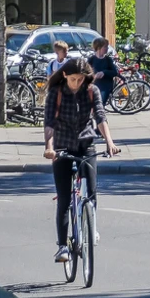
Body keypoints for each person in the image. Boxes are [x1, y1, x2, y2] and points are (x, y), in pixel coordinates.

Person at [42, 55, 119, 265]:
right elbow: (49, 122)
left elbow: (101, 117)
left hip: (86, 144)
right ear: (65, 75)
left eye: (81, 79)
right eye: (74, 79)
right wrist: (49, 148)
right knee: (64, 200)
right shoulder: (56, 93)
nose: (77, 83)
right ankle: (62, 246)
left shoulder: (91, 91)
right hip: (62, 146)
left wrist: (109, 142)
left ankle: (91, 225)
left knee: (92, 191)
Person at [87, 36, 119, 102]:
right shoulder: (91, 59)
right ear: (99, 47)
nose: (107, 48)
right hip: (94, 86)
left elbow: (114, 72)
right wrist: (93, 75)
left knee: (100, 105)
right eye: (105, 47)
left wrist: (104, 72)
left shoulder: (108, 60)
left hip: (105, 87)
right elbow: (86, 72)